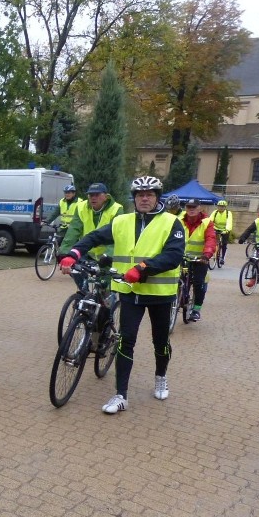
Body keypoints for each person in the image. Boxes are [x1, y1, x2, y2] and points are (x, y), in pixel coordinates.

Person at [60, 176, 184, 414]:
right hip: (129, 292)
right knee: (125, 341)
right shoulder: (122, 221)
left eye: (149, 194)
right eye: (140, 195)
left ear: (157, 197)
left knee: (160, 341)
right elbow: (95, 237)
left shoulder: (171, 223)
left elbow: (173, 255)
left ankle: (160, 376)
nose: (144, 198)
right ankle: (121, 395)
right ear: (134, 198)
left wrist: (143, 268)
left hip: (159, 294)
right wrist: (74, 253)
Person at [59, 182, 124, 289]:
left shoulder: (116, 209)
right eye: (91, 195)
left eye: (97, 195)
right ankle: (83, 294)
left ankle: (106, 300)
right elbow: (73, 231)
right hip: (87, 250)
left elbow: (117, 235)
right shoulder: (81, 207)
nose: (93, 198)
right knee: (76, 271)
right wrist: (65, 252)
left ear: (106, 196)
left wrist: (108, 255)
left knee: (103, 285)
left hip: (106, 254)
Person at [179, 199, 215, 321]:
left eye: (194, 207)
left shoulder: (206, 222)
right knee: (176, 278)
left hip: (200, 259)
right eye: (189, 207)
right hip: (182, 259)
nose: (191, 209)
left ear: (200, 208)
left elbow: (211, 239)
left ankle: (196, 309)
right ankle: (177, 299)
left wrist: (206, 255)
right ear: (185, 208)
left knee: (199, 283)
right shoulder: (179, 221)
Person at [208, 200, 233, 266]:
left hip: (225, 230)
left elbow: (229, 222)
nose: (221, 208)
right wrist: (209, 227)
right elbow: (210, 220)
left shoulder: (228, 213)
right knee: (212, 241)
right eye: (219, 206)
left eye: (222, 207)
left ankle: (222, 258)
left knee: (224, 244)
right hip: (216, 228)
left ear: (225, 207)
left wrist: (227, 230)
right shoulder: (215, 212)